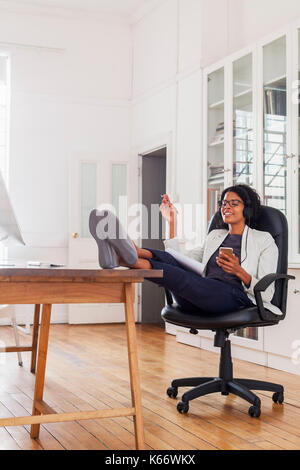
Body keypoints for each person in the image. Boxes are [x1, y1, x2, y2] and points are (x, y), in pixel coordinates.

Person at [89, 184, 282, 316]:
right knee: (175, 265)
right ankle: (128, 255)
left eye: (234, 203)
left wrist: (238, 271)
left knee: (181, 277)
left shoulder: (263, 240)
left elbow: (266, 293)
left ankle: (126, 257)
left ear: (246, 208)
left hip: (233, 297)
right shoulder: (216, 236)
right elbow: (180, 259)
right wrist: (172, 222)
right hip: (197, 294)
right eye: (224, 203)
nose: (226, 207)